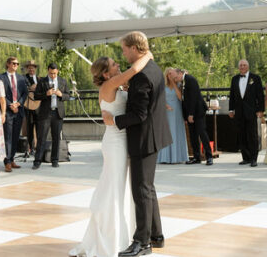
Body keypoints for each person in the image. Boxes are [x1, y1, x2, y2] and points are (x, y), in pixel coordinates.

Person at [69, 52, 153, 257]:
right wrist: (147, 55)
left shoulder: (114, 85)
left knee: (119, 188)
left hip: (121, 141)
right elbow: (134, 70)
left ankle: (119, 235)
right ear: (106, 74)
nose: (118, 65)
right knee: (114, 188)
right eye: (114, 65)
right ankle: (111, 239)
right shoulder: (109, 85)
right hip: (115, 143)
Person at [102, 31, 172, 257]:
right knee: (148, 188)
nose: (123, 54)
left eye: (124, 49)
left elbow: (139, 114)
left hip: (143, 138)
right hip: (155, 135)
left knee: (141, 191)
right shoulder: (154, 68)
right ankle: (156, 236)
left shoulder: (141, 75)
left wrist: (115, 120)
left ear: (134, 48)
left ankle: (142, 242)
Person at [170, 68, 213, 165]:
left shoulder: (190, 79)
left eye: (176, 77)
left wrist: (191, 114)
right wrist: (186, 116)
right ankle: (196, 157)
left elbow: (193, 98)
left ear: (180, 73)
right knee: (193, 135)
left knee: (202, 133)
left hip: (197, 112)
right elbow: (184, 100)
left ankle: (209, 156)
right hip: (189, 113)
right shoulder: (183, 82)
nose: (176, 80)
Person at [32, 63, 70, 169]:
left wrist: (60, 94)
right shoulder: (42, 81)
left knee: (56, 138)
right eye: (50, 73)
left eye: (54, 73)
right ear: (48, 71)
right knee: (41, 138)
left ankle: (55, 160)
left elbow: (68, 95)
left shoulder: (63, 81)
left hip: (58, 113)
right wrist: (46, 94)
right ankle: (37, 161)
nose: (52, 75)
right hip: (45, 113)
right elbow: (36, 96)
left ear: (57, 71)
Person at [229, 59, 265, 167]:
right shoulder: (234, 79)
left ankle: (254, 159)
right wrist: (231, 109)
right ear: (238, 67)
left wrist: (260, 110)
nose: (242, 67)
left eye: (244, 65)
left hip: (251, 111)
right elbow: (232, 95)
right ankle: (246, 158)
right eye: (240, 65)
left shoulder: (256, 78)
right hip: (239, 112)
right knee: (241, 135)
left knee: (252, 135)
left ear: (248, 66)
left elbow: (260, 95)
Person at [0, 57, 28, 172]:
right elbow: (1, 94)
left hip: (19, 111)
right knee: (8, 137)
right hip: (8, 111)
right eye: (14, 63)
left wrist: (18, 104)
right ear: (8, 64)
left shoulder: (21, 78)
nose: (16, 65)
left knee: (15, 137)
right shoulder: (1, 77)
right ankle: (7, 161)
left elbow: (25, 93)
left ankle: (12, 158)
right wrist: (11, 105)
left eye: (17, 63)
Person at [157, 68, 189, 164]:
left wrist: (174, 84)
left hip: (177, 112)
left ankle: (177, 157)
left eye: (173, 74)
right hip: (166, 112)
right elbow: (159, 99)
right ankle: (165, 158)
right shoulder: (162, 86)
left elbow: (180, 98)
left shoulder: (179, 85)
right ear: (167, 75)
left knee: (177, 132)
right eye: (170, 74)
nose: (172, 76)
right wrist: (166, 106)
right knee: (168, 133)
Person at [24, 60, 41, 155]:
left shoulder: (39, 79)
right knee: (29, 127)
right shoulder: (24, 78)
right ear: (27, 68)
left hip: (38, 106)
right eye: (29, 67)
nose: (31, 69)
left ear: (35, 68)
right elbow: (22, 88)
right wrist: (30, 87)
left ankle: (38, 146)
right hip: (28, 105)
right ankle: (31, 147)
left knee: (39, 126)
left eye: (33, 67)